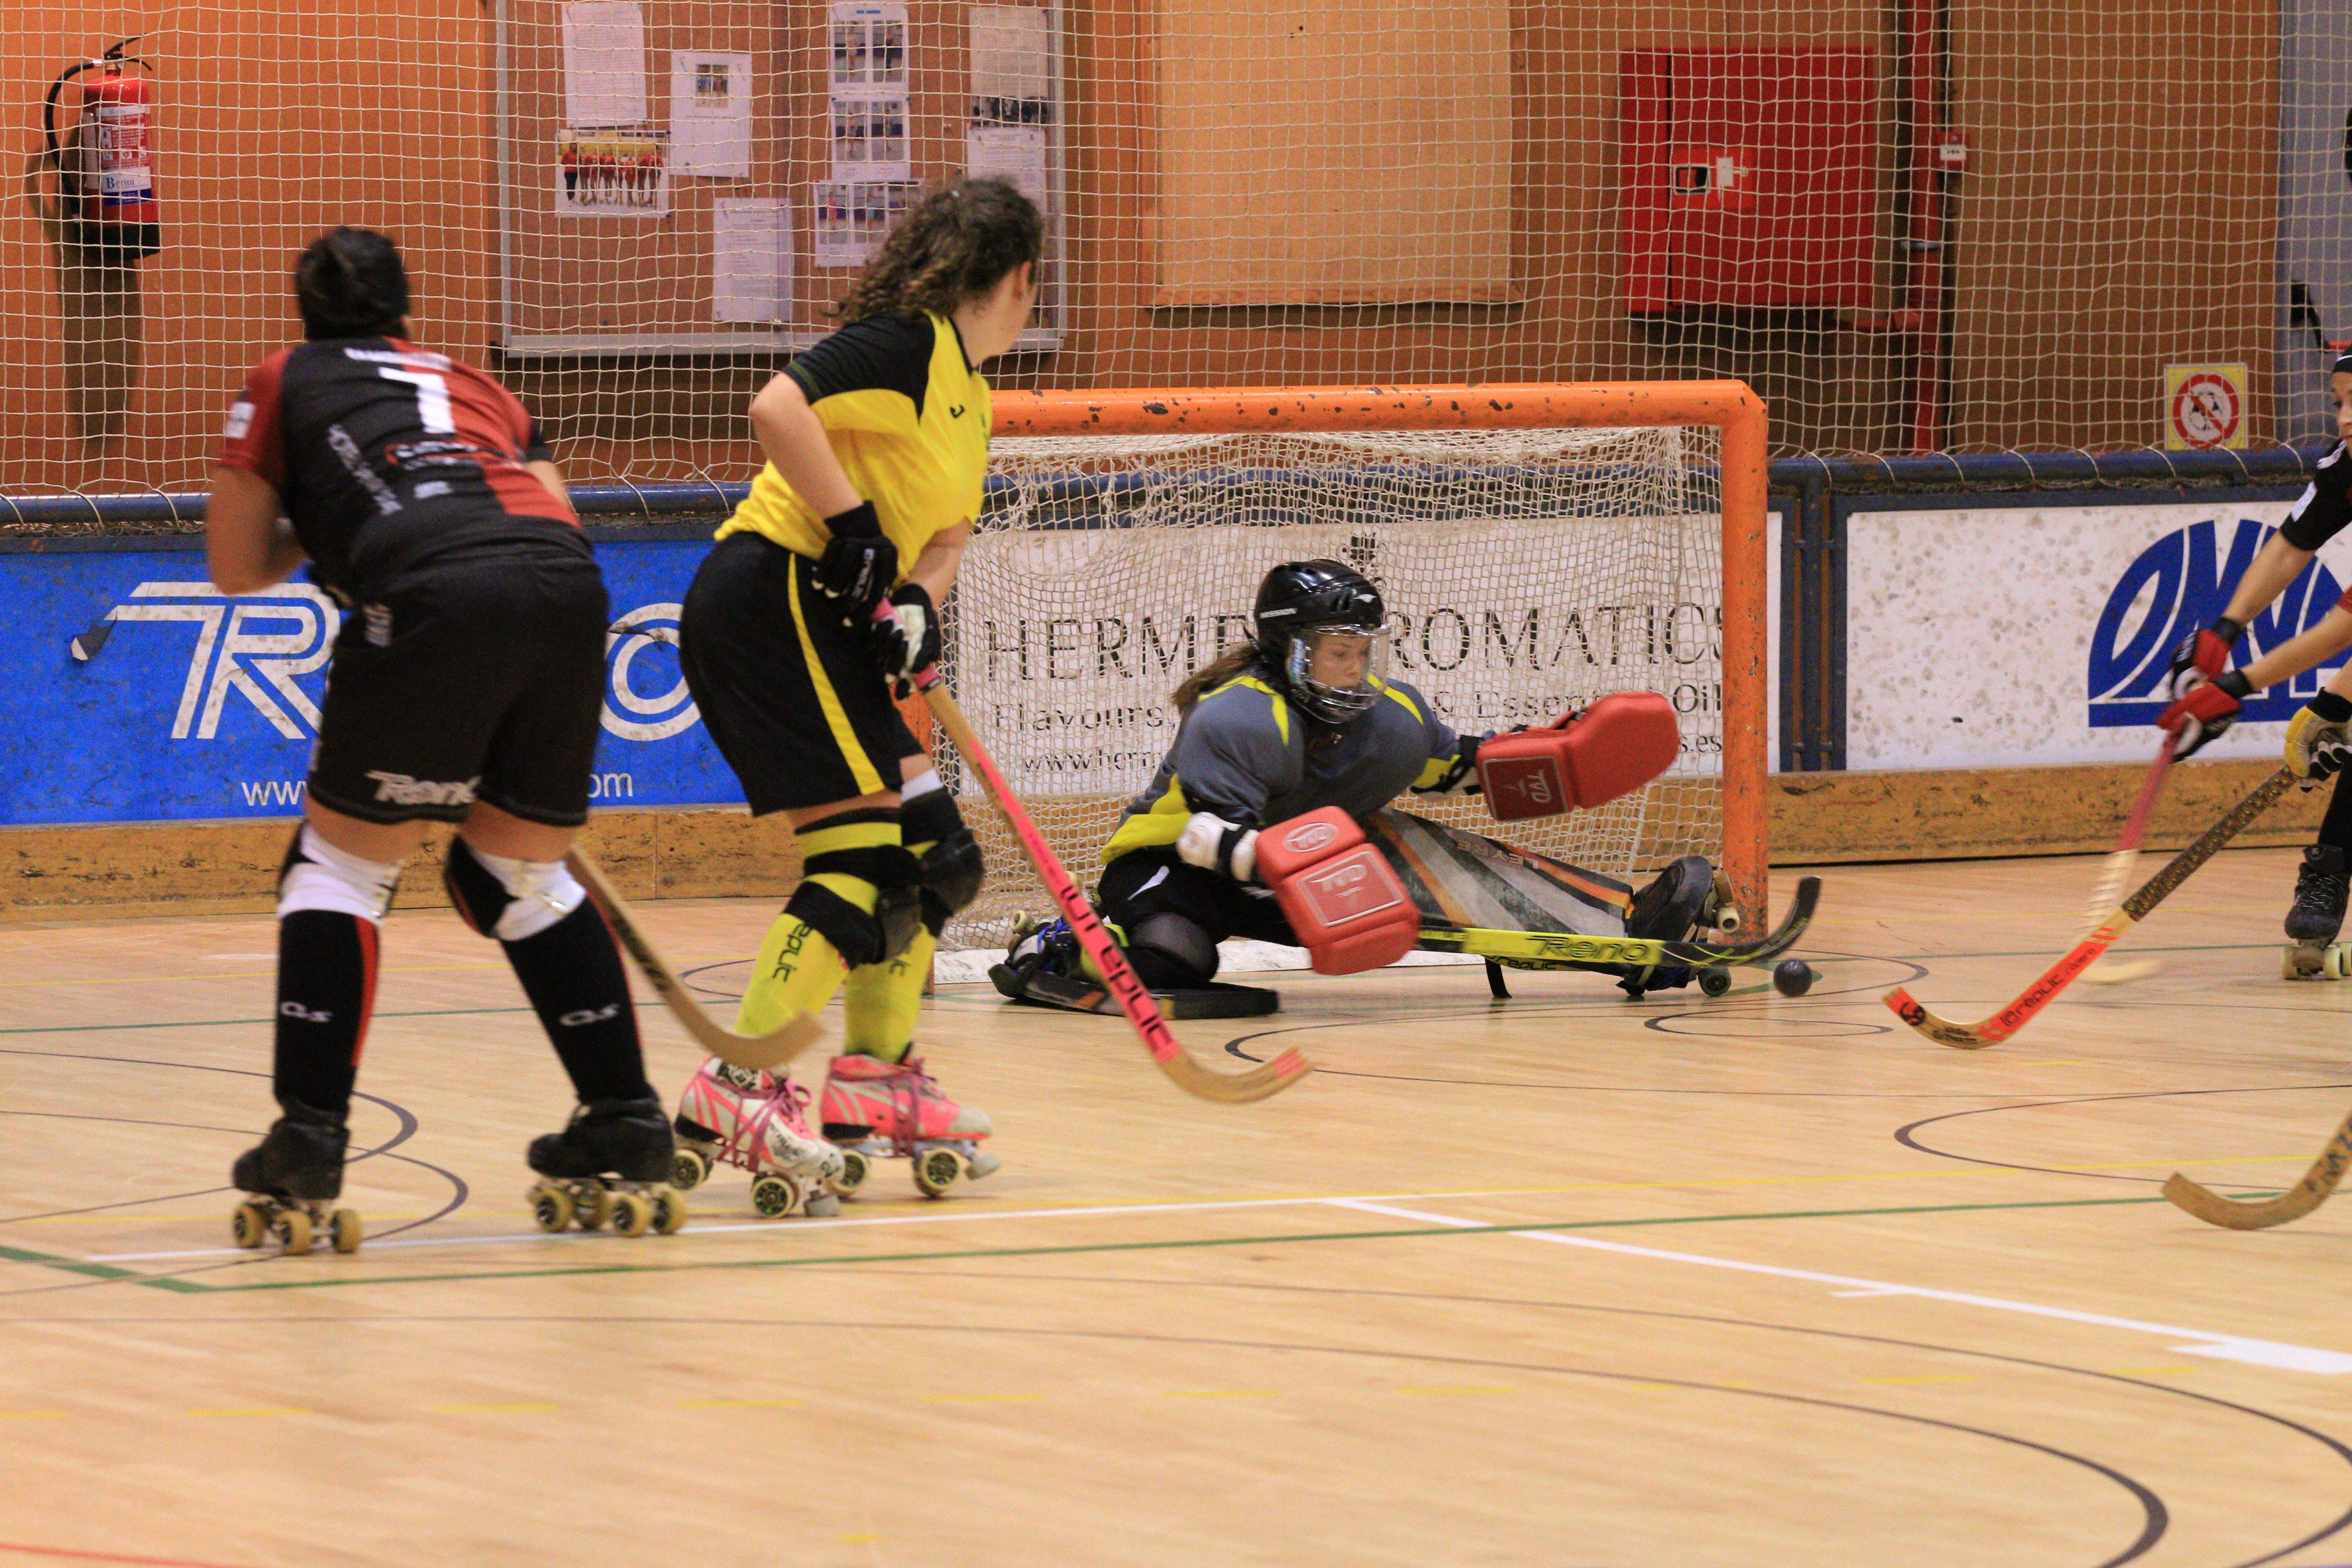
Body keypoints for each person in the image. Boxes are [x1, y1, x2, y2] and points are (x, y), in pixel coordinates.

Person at [209, 227, 679, 1250]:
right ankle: (629, 1118)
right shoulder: (474, 382)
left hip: (427, 588)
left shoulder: (281, 378)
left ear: (305, 314)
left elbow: (238, 566)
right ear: (406, 312)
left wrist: (325, 518)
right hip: (563, 588)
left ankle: (309, 1137)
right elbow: (558, 516)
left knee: (335, 870)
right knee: (511, 882)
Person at [673, 178, 1042, 1200]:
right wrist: (851, 529)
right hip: (770, 593)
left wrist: (918, 599)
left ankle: (874, 1083)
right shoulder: (909, 344)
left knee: (935, 857)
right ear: (1019, 277)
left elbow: (948, 537)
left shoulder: (970, 399)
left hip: (827, 621)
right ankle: (736, 1083)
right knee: (860, 860)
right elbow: (777, 406)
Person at [1001, 559, 1721, 1006]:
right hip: (1174, 868)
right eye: (1336, 654)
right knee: (1173, 962)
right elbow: (1203, 835)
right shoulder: (1238, 716)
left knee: (1444, 870)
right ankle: (1062, 943)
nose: (1354, 668)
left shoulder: (1395, 714)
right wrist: (1310, 868)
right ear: (1288, 652)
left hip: (1306, 855)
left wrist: (1557, 753)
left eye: (1362, 652)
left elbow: (1458, 771)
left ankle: (1631, 932)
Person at [2164, 349, 2352, 962]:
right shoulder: (2346, 466)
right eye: (2339, 403)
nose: (2346, 419)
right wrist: (2224, 630)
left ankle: (2331, 867)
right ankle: (2332, 869)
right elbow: (2290, 548)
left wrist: (2239, 687)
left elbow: (2340, 628)